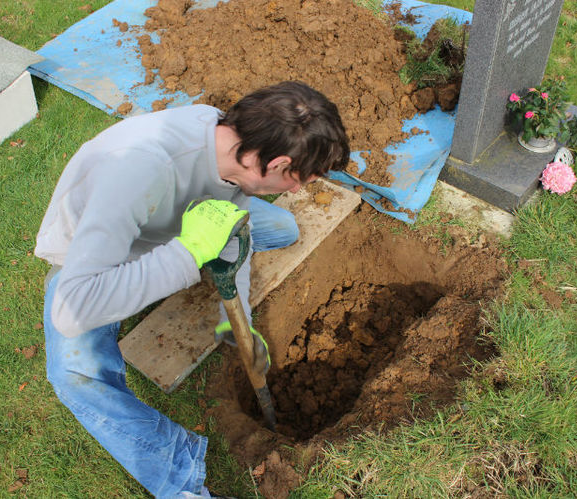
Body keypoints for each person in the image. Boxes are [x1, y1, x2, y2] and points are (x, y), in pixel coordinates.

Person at [34, 81, 350, 497]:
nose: (297, 190)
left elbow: (234, 234)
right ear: (274, 163)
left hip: (176, 217)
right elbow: (72, 308)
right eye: (298, 179)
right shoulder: (140, 168)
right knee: (74, 374)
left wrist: (236, 322)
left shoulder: (232, 148)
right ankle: (180, 479)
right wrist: (187, 254)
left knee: (283, 227)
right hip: (104, 251)